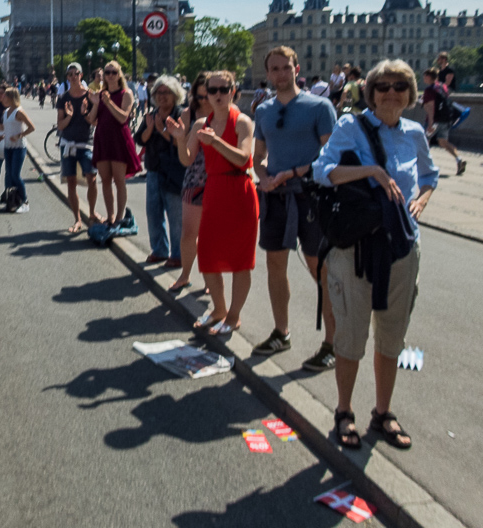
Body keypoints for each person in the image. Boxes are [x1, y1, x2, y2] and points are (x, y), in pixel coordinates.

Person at [312, 59, 437, 450]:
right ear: (370, 91)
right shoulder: (352, 125)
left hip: (401, 244)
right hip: (357, 247)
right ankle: (344, 410)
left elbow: (430, 175)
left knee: (392, 334)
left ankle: (382, 412)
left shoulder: (415, 132)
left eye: (400, 85)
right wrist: (371, 172)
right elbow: (321, 170)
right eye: (382, 86)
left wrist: (422, 200)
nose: (391, 92)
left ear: (411, 93)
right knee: (350, 333)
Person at [250, 47, 339, 371]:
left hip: (311, 196)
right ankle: (281, 332)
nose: (280, 74)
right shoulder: (264, 111)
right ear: (268, 73)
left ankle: (332, 342)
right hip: (276, 196)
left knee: (320, 268)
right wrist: (262, 176)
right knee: (275, 264)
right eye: (274, 69)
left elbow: (332, 155)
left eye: (285, 68)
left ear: (296, 69)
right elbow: (258, 156)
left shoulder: (320, 107)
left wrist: (295, 172)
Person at [168, 70, 258, 335]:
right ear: (205, 93)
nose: (218, 95)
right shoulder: (199, 124)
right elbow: (186, 160)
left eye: (224, 89)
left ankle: (233, 315)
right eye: (213, 90)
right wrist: (180, 138)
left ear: (233, 91)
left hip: (239, 190)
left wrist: (216, 141)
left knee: (241, 260)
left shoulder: (242, 122)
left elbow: (243, 158)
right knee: (207, 256)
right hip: (214, 189)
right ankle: (218, 309)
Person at [169, 72, 213, 292]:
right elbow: (185, 157)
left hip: (218, 181)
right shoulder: (189, 114)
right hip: (195, 178)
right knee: (189, 234)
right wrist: (179, 137)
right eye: (201, 95)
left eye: (209, 94)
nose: (205, 100)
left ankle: (211, 280)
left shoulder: (224, 113)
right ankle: (185, 275)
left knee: (211, 235)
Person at [137, 75, 187, 266]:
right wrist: (151, 128)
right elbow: (140, 139)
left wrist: (162, 129)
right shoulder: (152, 114)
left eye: (167, 93)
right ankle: (159, 250)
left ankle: (178, 255)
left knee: (175, 215)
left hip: (175, 171)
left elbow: (183, 144)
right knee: (153, 211)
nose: (162, 97)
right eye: (159, 93)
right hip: (154, 169)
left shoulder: (181, 115)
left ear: (175, 96)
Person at [90, 60, 141, 227]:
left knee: (119, 180)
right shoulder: (101, 94)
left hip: (119, 139)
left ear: (119, 75)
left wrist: (109, 102)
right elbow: (92, 120)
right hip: (103, 139)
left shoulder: (126, 94)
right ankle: (110, 215)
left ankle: (119, 216)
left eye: (113, 72)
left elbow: (123, 118)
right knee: (105, 179)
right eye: (107, 72)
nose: (110, 75)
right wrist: (92, 105)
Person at [56, 63, 99, 232]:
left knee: (92, 177)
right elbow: (60, 125)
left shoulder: (90, 96)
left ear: (81, 75)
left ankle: (92, 213)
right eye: (70, 74)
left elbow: (95, 122)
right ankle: (77, 219)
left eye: (76, 73)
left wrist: (84, 113)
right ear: (67, 77)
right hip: (68, 144)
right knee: (71, 182)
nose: (73, 77)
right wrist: (71, 116)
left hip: (86, 143)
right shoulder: (63, 98)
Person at [422, 67, 466, 175]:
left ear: (428, 77)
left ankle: (426, 167)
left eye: (424, 76)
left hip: (434, 120)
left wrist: (431, 123)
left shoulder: (429, 90)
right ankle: (459, 159)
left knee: (423, 142)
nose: (423, 78)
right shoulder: (443, 87)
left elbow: (431, 107)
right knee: (443, 142)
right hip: (445, 120)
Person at [0, 87, 35, 212]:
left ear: (11, 98)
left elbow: (32, 127)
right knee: (9, 175)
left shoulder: (19, 112)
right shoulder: (6, 112)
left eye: (5, 96)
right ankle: (13, 200)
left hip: (19, 147)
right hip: (7, 146)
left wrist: (19, 135)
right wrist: (4, 135)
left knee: (15, 174)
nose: (3, 98)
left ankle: (25, 201)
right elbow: (10, 127)